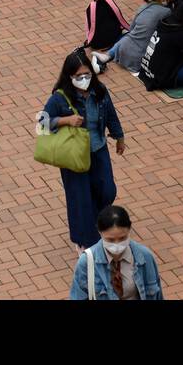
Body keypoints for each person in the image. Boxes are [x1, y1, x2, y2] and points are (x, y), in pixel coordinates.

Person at [42, 49, 125, 253]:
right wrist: (65, 120)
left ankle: (95, 223)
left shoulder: (100, 91)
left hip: (98, 149)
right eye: (79, 76)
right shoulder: (60, 99)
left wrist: (119, 137)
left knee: (107, 190)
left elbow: (111, 115)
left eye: (87, 74)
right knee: (80, 198)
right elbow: (42, 123)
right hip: (74, 156)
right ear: (70, 77)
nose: (84, 79)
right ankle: (84, 241)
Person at [69, 205, 163, 300]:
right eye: (110, 240)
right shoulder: (86, 262)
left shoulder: (145, 256)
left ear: (129, 229)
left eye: (122, 238)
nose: (117, 245)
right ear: (100, 232)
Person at [89, 0, 172, 74]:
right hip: (137, 59)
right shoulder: (167, 12)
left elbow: (131, 29)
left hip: (123, 49)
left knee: (128, 35)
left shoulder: (143, 7)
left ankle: (107, 55)